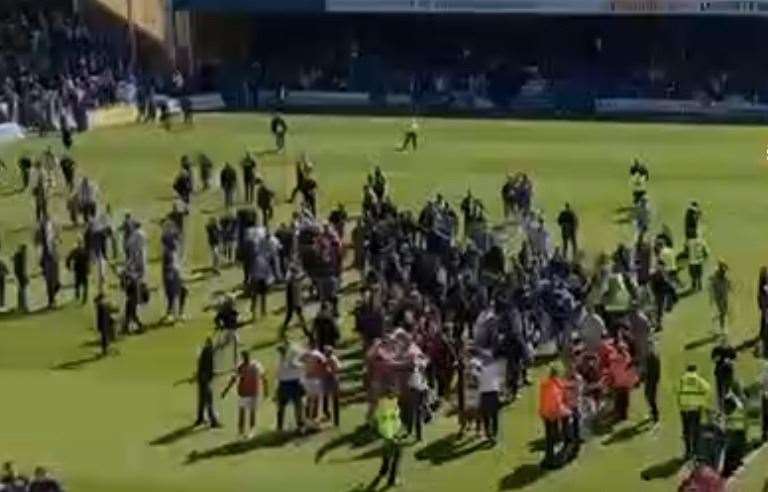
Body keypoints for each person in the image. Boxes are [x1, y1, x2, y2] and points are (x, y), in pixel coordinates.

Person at [222, 350, 268, 438]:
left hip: (253, 392)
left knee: (252, 412)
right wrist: (225, 391)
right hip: (243, 393)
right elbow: (233, 379)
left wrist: (266, 391)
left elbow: (263, 377)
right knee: (242, 412)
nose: (245, 358)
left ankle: (251, 431)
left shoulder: (256, 366)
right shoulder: (240, 366)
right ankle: (241, 431)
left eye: (246, 356)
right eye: (244, 356)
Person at [539, 364, 571, 469]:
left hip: (545, 413)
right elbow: (556, 402)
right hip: (553, 414)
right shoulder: (555, 387)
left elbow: (543, 400)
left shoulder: (545, 384)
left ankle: (548, 458)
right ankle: (554, 460)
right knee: (555, 438)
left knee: (549, 438)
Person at [677, 364, 711, 459]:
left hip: (684, 409)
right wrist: (702, 401)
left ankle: (688, 451)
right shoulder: (698, 379)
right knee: (696, 430)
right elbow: (707, 388)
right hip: (695, 409)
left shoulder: (683, 379)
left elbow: (677, 391)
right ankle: (696, 451)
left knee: (686, 431)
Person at [372, 387, 403, 489]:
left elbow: (377, 419)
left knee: (387, 452)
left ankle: (384, 471)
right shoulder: (388, 406)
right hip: (390, 433)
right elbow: (387, 421)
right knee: (397, 454)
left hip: (390, 432)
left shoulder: (384, 403)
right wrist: (391, 436)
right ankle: (392, 479)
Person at [276, 344, 306, 433]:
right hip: (288, 383)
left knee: (296, 406)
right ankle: (281, 426)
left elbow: (296, 365)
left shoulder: (291, 358)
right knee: (287, 406)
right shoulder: (282, 360)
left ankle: (299, 426)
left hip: (292, 383)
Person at [194, 337, 221, 428]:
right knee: (209, 400)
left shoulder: (203, 352)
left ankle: (200, 419)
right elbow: (208, 368)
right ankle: (213, 421)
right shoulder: (208, 353)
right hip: (205, 380)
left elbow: (203, 367)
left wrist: (213, 373)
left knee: (202, 400)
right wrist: (212, 373)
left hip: (202, 380)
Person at [478, 350, 504, 445]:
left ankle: (489, 434)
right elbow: (500, 380)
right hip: (493, 392)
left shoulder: (480, 367)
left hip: (485, 392)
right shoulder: (495, 366)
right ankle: (494, 435)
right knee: (494, 415)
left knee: (486, 416)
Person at [281, 262, 309, 339]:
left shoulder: (290, 277)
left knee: (291, 317)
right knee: (297, 317)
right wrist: (306, 272)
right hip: (294, 302)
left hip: (294, 301)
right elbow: (300, 278)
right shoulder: (292, 278)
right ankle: (306, 331)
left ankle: (305, 331)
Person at [722, 393, 747, 477]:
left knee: (733, 452)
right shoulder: (732, 410)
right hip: (734, 433)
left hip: (738, 433)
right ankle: (730, 468)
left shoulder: (738, 411)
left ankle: (732, 467)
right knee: (731, 452)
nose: (726, 409)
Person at [214, 294, 240, 366]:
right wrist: (220, 325)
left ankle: (235, 363)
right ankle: (234, 363)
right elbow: (216, 319)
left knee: (233, 347)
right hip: (228, 331)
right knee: (225, 346)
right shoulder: (226, 310)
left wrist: (219, 325)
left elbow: (216, 319)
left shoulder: (232, 311)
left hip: (232, 331)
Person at [709, 260, 732, 334]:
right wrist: (712, 297)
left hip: (724, 296)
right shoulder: (716, 276)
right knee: (723, 313)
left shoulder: (725, 275)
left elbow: (728, 284)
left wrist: (729, 287)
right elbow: (712, 286)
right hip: (719, 297)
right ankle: (722, 328)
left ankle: (717, 319)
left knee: (724, 312)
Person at [66, 238, 90, 304]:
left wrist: (68, 266)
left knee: (77, 283)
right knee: (85, 284)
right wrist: (89, 270)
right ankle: (84, 298)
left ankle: (77, 295)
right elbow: (88, 260)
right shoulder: (85, 250)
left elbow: (68, 258)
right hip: (84, 269)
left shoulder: (75, 250)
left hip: (78, 269)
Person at [644, 337, 661, 424]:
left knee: (651, 398)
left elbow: (656, 370)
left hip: (652, 380)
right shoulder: (649, 355)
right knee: (647, 396)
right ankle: (653, 412)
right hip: (649, 379)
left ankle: (655, 415)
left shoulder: (653, 356)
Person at [12, 244, 28, 313]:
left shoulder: (17, 256)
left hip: (19, 276)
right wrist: (24, 277)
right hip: (20, 276)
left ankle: (22, 307)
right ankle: (22, 307)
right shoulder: (20, 256)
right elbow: (20, 269)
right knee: (21, 292)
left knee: (21, 291)